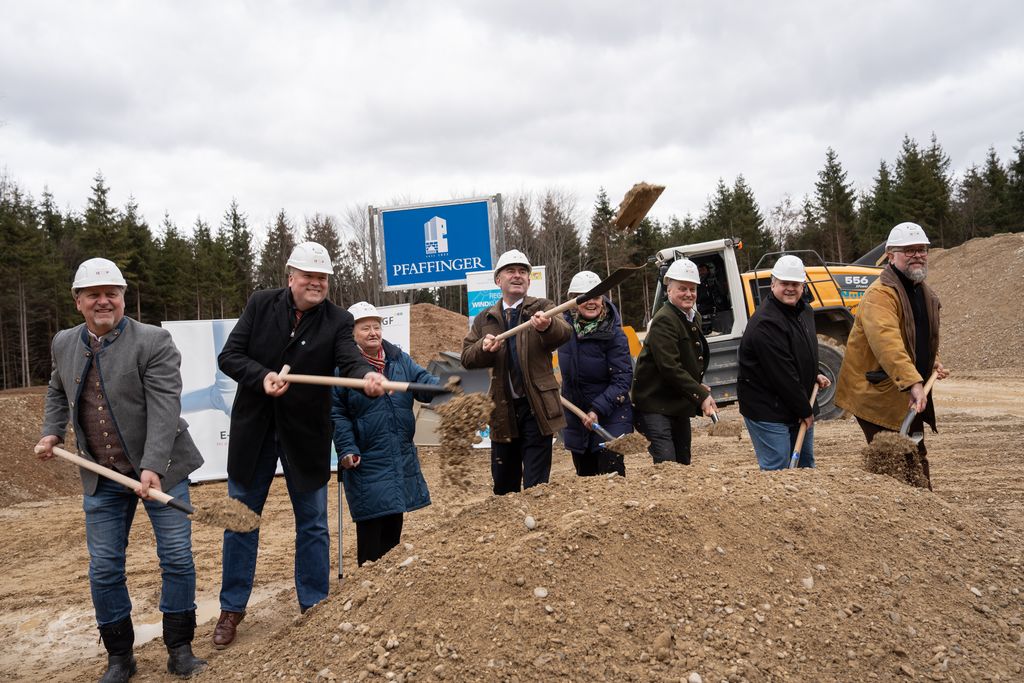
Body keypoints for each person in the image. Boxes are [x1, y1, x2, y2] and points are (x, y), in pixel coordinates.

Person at [35, 258, 206, 682]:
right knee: (105, 567)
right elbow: (58, 390)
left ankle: (180, 649)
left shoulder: (153, 341)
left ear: (124, 297)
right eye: (93, 294)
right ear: (78, 302)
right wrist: (52, 432)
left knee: (177, 559)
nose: (103, 301)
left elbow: (166, 408)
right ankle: (119, 656)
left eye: (112, 292)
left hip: (161, 469)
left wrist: (151, 467)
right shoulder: (63, 343)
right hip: (101, 475)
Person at [213, 242, 385, 649]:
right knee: (240, 521)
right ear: (291, 277)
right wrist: (262, 377)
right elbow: (230, 356)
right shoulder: (260, 305)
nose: (316, 283)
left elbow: (349, 358)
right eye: (309, 276)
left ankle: (314, 606)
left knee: (312, 524)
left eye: (322, 277)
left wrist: (366, 375)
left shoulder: (339, 320)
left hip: (304, 434)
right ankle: (231, 608)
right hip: (254, 431)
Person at [835, 222, 948, 489]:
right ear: (890, 254)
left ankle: (925, 508)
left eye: (921, 249)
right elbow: (887, 342)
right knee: (894, 463)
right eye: (908, 250)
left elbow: (919, 336)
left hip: (907, 392)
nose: (917, 255)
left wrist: (933, 360)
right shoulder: (880, 295)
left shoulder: (922, 292)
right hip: (879, 394)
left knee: (916, 456)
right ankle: (895, 515)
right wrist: (913, 381)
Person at [331, 302, 436, 566]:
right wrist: (347, 449)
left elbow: (422, 381)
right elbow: (337, 414)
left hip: (399, 455)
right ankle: (367, 588)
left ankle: (388, 597)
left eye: (376, 326)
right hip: (367, 459)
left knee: (393, 527)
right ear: (351, 333)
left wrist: (445, 387)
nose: (372, 332)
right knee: (371, 535)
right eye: (364, 327)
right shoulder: (342, 368)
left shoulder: (397, 358)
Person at [462, 249, 572, 494]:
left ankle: (537, 526)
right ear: (498, 280)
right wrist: (484, 348)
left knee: (536, 485)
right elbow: (467, 358)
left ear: (529, 280)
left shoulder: (543, 309)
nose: (517, 276)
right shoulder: (485, 318)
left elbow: (564, 333)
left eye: (523, 272)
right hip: (502, 410)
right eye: (510, 271)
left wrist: (548, 326)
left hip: (537, 407)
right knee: (504, 486)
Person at [737, 255, 831, 470]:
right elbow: (782, 375)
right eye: (784, 283)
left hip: (796, 401)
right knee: (778, 469)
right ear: (773, 284)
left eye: (795, 284)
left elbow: (801, 351)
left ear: (803, 285)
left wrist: (812, 372)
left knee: (805, 465)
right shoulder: (766, 323)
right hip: (768, 408)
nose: (790, 288)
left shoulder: (804, 311)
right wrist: (805, 411)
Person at [632, 258, 717, 464]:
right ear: (669, 290)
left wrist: (696, 386)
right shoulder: (664, 320)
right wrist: (701, 395)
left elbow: (686, 359)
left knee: (684, 461)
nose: (689, 294)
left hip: (676, 402)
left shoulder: (691, 317)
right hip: (655, 404)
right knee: (667, 464)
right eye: (682, 289)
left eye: (692, 289)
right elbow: (670, 367)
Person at [557, 270, 634, 477]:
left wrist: (597, 410)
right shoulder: (563, 331)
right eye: (584, 297)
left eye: (597, 297)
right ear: (572, 300)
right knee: (587, 482)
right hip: (577, 418)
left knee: (611, 479)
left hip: (610, 417)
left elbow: (622, 379)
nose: (591, 302)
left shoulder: (614, 333)